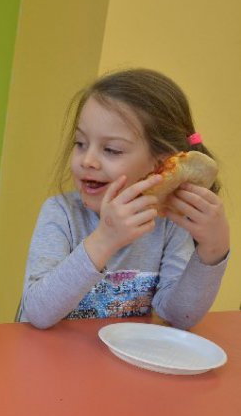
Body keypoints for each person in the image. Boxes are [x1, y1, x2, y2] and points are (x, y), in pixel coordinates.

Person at [19, 68, 229, 329]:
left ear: (162, 165)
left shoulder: (169, 225)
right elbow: (38, 312)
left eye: (111, 149)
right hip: (46, 353)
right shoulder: (61, 213)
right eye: (80, 143)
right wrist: (105, 239)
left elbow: (178, 316)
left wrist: (214, 250)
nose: (88, 160)